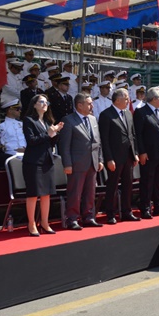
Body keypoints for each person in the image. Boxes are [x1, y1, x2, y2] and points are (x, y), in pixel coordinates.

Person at [58, 93, 104, 229]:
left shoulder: (93, 119)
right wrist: (67, 164)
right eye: (89, 103)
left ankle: (88, 217)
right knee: (75, 193)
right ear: (79, 105)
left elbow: (97, 142)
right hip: (76, 163)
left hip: (92, 162)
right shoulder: (68, 120)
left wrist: (100, 159)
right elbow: (64, 145)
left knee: (90, 192)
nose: (92, 106)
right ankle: (72, 219)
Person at [22, 94, 64, 236]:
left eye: (46, 102)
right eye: (41, 101)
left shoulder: (47, 121)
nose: (45, 104)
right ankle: (31, 223)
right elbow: (31, 141)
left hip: (47, 160)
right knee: (33, 194)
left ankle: (45, 222)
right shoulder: (29, 120)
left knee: (46, 194)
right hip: (33, 162)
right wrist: (48, 133)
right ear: (34, 104)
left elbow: (50, 142)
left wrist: (55, 133)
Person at [99, 88, 140, 224]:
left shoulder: (128, 113)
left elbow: (132, 135)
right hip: (114, 158)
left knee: (128, 185)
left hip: (128, 156)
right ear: (117, 100)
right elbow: (104, 140)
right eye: (126, 98)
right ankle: (110, 213)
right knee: (112, 186)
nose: (128, 101)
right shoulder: (106, 115)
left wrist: (135, 153)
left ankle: (127, 211)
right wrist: (109, 159)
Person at [133, 87, 159, 218]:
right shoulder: (141, 112)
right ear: (154, 99)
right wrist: (142, 152)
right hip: (149, 154)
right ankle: (145, 207)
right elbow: (138, 134)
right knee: (147, 181)